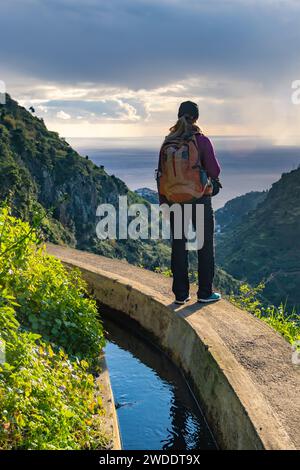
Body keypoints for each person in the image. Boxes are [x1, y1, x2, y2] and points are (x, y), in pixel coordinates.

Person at [158, 101, 221, 305]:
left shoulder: (168, 142)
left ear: (178, 116)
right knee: (204, 245)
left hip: (174, 200)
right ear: (196, 117)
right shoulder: (201, 140)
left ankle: (180, 294)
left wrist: (164, 203)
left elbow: (161, 175)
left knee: (178, 245)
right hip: (200, 200)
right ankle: (204, 293)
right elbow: (215, 171)